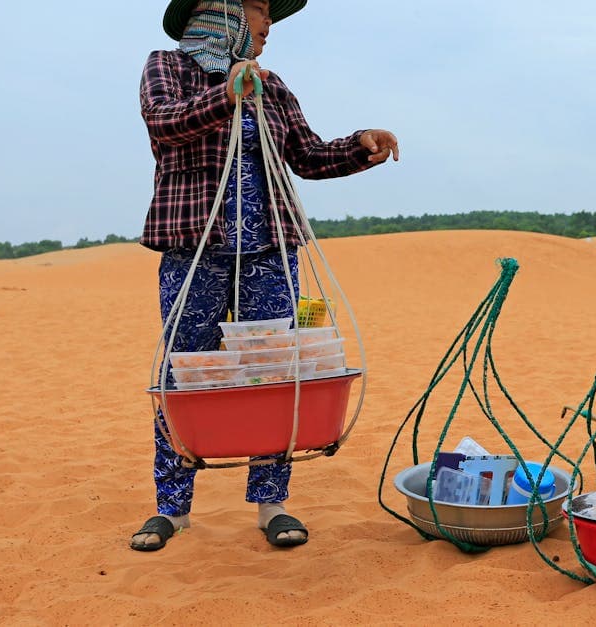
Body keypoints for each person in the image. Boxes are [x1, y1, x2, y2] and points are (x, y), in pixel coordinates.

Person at [130, 0, 399, 551]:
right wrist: (224, 95)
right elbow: (164, 124)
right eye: (257, 7)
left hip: (270, 250)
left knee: (276, 371)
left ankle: (272, 503)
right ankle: (172, 507)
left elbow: (308, 155)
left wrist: (359, 145)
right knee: (183, 372)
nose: (268, 22)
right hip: (193, 250)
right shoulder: (166, 67)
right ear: (216, 11)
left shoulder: (271, 88)